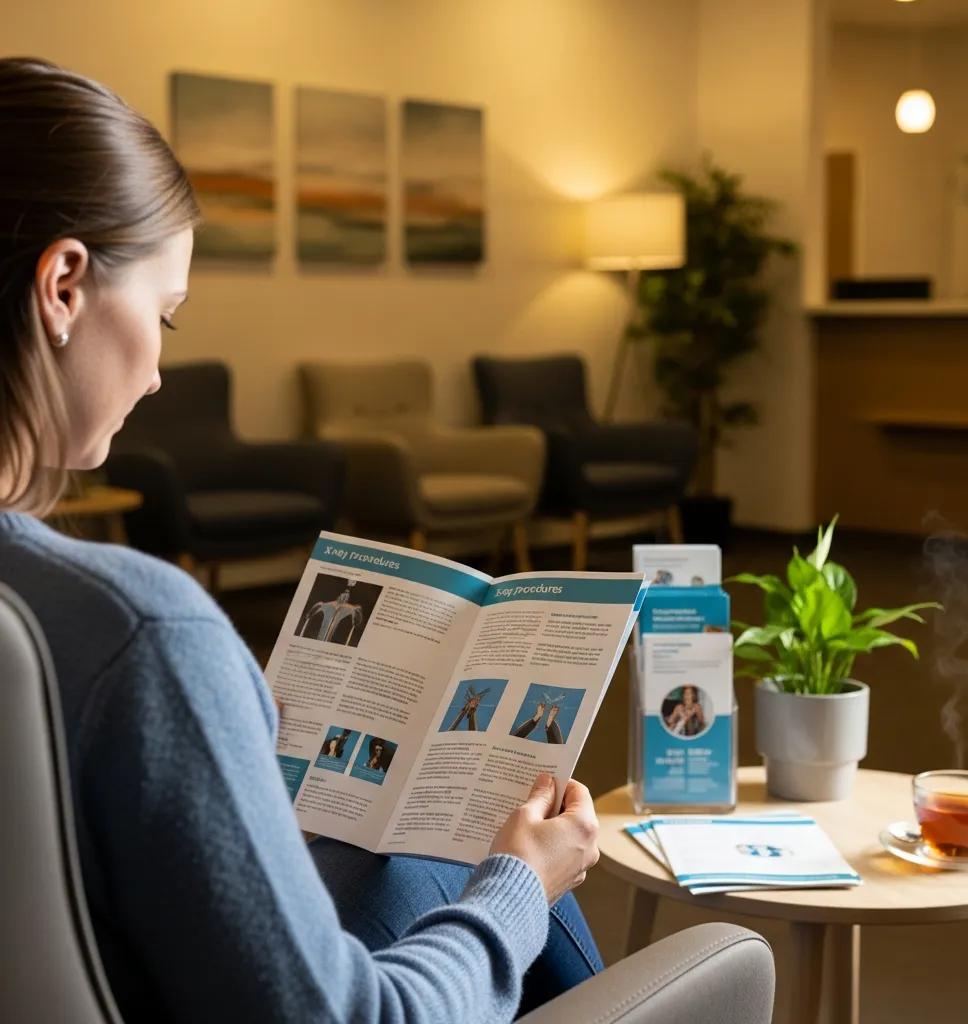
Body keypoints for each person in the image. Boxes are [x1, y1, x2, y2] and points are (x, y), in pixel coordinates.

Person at [0, 58, 602, 1023]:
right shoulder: (142, 634)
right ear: (64, 285)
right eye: (164, 316)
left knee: (378, 837)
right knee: (476, 852)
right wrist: (519, 887)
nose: (157, 372)